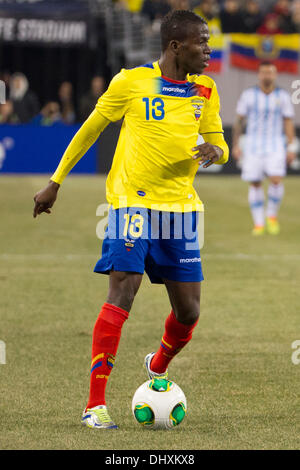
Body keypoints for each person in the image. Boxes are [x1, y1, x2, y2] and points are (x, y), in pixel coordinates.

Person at [33, 10, 228, 429]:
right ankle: (95, 405)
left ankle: (157, 364)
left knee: (189, 312)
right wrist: (56, 181)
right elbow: (91, 128)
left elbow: (218, 141)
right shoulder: (131, 82)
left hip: (181, 210)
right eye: (202, 43)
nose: (209, 51)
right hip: (131, 203)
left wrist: (218, 152)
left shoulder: (206, 91)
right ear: (176, 46)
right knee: (124, 289)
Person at [232, 62, 296, 236]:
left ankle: (271, 216)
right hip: (252, 145)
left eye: (270, 73)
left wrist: (291, 146)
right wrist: (236, 144)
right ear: (259, 75)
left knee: (276, 179)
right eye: (264, 72)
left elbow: (288, 121)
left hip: (275, 145)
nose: (267, 75)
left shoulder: (282, 96)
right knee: (255, 182)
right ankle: (259, 223)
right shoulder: (248, 95)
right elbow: (239, 121)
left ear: (275, 75)